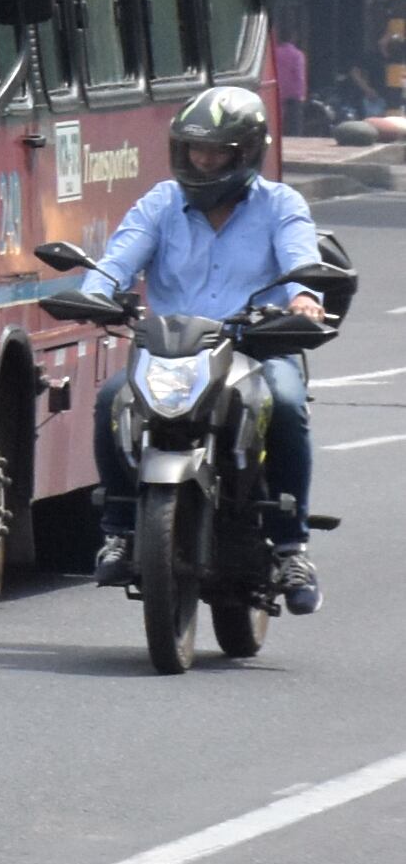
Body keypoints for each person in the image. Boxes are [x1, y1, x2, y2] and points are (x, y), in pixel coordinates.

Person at [80, 85, 327, 613]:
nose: (205, 160)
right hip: (170, 354)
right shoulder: (161, 203)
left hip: (254, 350)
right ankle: (120, 529)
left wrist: (304, 299)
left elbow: (299, 262)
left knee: (286, 404)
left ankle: (291, 546)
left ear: (246, 153)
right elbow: (117, 260)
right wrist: (96, 293)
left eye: (218, 151)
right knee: (110, 400)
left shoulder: (281, 204)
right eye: (197, 149)